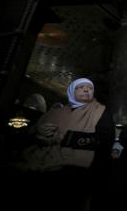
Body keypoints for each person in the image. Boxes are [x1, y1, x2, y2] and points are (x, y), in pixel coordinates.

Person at [23, 78, 115, 211]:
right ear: (71, 90)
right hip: (42, 166)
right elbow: (31, 133)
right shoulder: (55, 112)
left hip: (76, 173)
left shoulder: (100, 112)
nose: (86, 89)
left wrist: (63, 137)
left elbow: (104, 140)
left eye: (90, 88)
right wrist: (40, 134)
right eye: (81, 87)